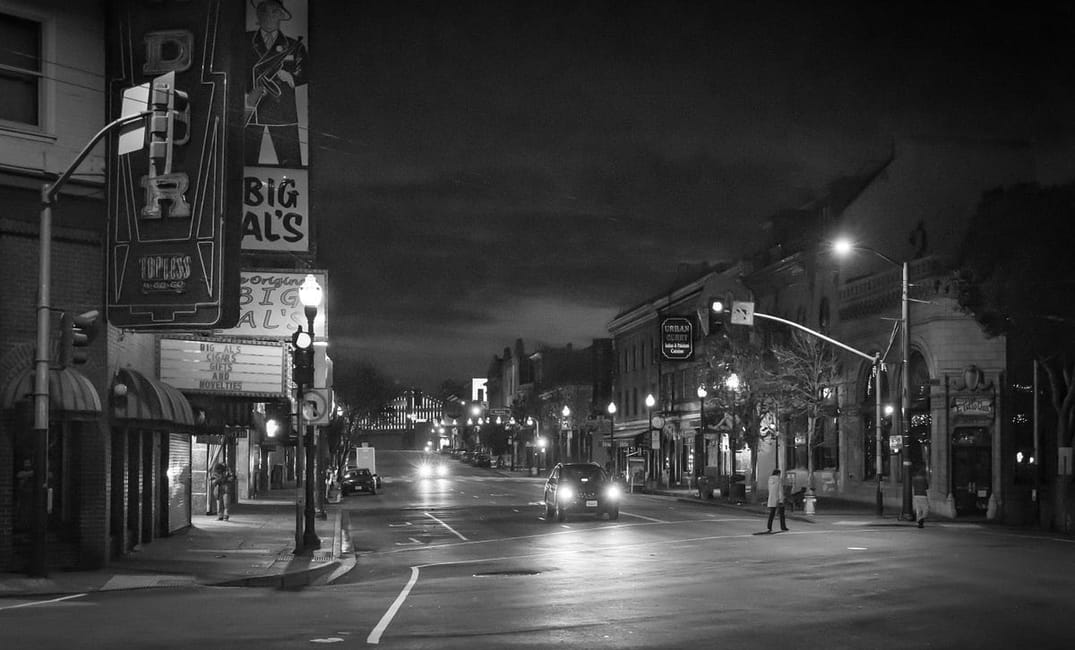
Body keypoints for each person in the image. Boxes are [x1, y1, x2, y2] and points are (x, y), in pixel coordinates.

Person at [245, 0, 308, 167]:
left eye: (274, 11)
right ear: (259, 15)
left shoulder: (294, 45)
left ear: (281, 15)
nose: (269, 16)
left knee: (291, 164)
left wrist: (290, 76)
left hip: (283, 111)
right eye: (264, 11)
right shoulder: (244, 41)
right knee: (243, 163)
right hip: (251, 109)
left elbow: (306, 72)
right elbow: (235, 70)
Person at [766, 468, 789, 532]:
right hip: (778, 499)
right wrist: (781, 499)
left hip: (771, 498)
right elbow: (780, 490)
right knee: (782, 514)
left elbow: (769, 489)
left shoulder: (770, 479)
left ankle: (769, 527)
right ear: (778, 473)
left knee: (772, 513)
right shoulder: (779, 480)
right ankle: (783, 527)